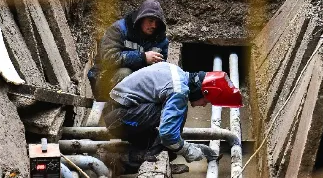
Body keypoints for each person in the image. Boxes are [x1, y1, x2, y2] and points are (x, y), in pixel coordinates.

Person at [102, 63, 243, 171]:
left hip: (123, 111)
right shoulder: (179, 91)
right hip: (118, 118)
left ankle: (152, 152)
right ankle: (120, 160)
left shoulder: (178, 73)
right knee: (175, 118)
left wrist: (183, 145)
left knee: (170, 138)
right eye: (206, 101)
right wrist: (187, 150)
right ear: (203, 92)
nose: (204, 105)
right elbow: (168, 133)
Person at [88, 0, 169, 100]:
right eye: (150, 21)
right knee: (125, 73)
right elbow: (108, 58)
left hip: (136, 84)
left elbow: (159, 71)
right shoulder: (119, 30)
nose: (154, 25)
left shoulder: (161, 40)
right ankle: (116, 110)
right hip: (104, 80)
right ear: (141, 19)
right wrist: (143, 57)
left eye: (157, 22)